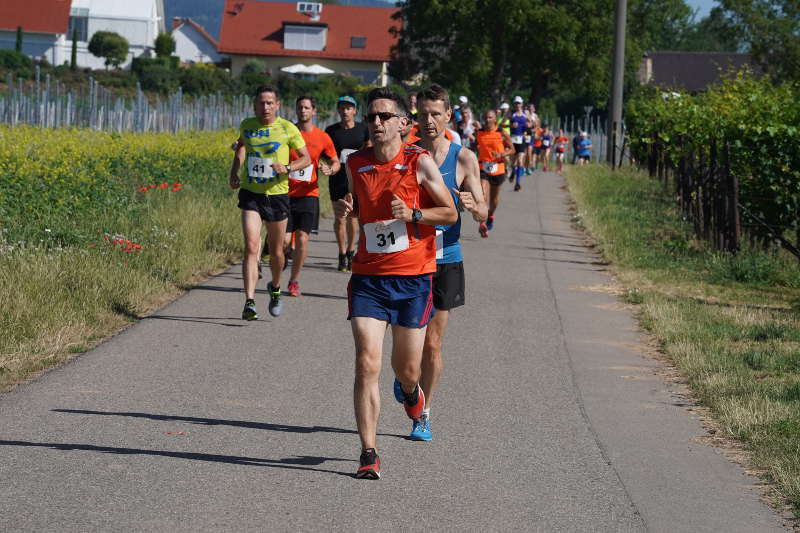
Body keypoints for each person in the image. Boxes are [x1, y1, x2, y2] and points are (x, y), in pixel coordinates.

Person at [334, 87, 457, 479]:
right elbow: (351, 203)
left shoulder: (419, 162)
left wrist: (415, 213)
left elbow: (450, 214)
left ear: (404, 123)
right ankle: (368, 452)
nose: (376, 123)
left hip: (413, 281)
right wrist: (343, 207)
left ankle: (411, 394)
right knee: (366, 362)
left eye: (384, 116)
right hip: (369, 279)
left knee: (406, 369)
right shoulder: (356, 163)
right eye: (372, 117)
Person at [391, 83, 487, 441]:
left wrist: (473, 205)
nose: (429, 120)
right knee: (406, 342)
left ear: (449, 116)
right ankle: (406, 376)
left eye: (436, 114)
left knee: (432, 343)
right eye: (423, 114)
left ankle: (423, 414)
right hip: (410, 258)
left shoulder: (463, 158)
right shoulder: (407, 153)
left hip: (447, 258)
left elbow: (482, 212)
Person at [229, 85, 310, 319]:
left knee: (277, 252)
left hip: (277, 195)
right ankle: (249, 301)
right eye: (260, 103)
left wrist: (286, 167)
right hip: (251, 194)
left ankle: (275, 288)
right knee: (252, 247)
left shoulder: (287, 128)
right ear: (254, 105)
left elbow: (306, 159)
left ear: (277, 105)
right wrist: (234, 171)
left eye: (269, 103)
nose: (265, 107)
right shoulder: (247, 125)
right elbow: (241, 147)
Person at [284, 95, 340, 297]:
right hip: (284, 193)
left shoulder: (322, 137)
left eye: (307, 107)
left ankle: (294, 281)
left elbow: (336, 161)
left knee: (302, 239)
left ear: (314, 111)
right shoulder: (288, 132)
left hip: (309, 194)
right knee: (283, 242)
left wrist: (330, 170)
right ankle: (283, 255)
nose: (303, 111)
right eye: (300, 107)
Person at [325, 96, 369, 272]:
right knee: (340, 219)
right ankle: (342, 253)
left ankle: (351, 251)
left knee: (353, 218)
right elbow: (325, 152)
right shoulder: (331, 130)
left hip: (356, 181)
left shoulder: (362, 129)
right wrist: (327, 165)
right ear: (338, 111)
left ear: (355, 111)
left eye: (349, 108)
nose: (345, 111)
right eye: (342, 108)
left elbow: (369, 148)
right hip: (337, 179)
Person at [476, 109, 514, 236]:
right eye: (486, 117)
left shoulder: (501, 133)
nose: (487, 120)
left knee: (494, 200)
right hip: (483, 167)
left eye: (490, 117)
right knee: (482, 195)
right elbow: (475, 145)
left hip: (498, 168)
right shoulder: (479, 132)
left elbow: (512, 149)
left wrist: (502, 154)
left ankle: (490, 215)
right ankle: (482, 223)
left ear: (495, 119)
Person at [508, 96, 528, 191]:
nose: (517, 105)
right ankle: (512, 172)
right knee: (512, 162)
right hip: (513, 139)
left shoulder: (525, 114)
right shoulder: (511, 113)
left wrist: (529, 126)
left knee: (520, 161)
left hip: (521, 139)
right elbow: (503, 124)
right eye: (516, 103)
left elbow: (534, 124)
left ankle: (517, 182)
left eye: (519, 103)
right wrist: (511, 125)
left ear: (522, 104)